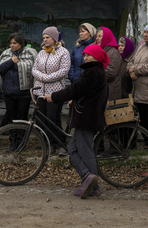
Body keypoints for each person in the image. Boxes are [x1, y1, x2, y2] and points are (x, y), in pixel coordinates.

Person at [45, 44, 109, 199]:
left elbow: (75, 89)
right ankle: (89, 180)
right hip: (87, 116)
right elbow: (83, 91)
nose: (85, 57)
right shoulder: (96, 72)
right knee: (73, 149)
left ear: (97, 57)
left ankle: (92, 183)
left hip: (86, 117)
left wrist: (54, 97)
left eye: (89, 55)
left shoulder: (92, 72)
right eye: (85, 55)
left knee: (84, 151)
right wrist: (74, 98)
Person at [0, 33, 37, 148]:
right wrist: (11, 61)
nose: (12, 45)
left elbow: (29, 68)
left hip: (24, 93)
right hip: (9, 93)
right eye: (11, 43)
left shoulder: (30, 53)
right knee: (11, 119)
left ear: (21, 44)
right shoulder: (6, 53)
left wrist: (15, 64)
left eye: (14, 43)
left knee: (22, 119)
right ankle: (13, 143)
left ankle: (21, 144)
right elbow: (1, 69)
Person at [32, 27, 71, 156]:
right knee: (42, 119)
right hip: (40, 91)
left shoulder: (63, 52)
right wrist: (41, 76)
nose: (45, 40)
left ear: (54, 38)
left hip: (55, 91)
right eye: (43, 38)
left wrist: (48, 78)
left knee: (53, 118)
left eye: (47, 37)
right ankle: (46, 143)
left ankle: (59, 143)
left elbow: (64, 70)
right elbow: (34, 68)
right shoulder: (41, 52)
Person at [97, 26, 122, 101]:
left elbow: (110, 73)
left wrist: (94, 74)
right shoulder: (101, 51)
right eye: (97, 36)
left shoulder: (113, 53)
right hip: (102, 90)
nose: (97, 38)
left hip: (110, 93)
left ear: (106, 37)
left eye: (100, 36)